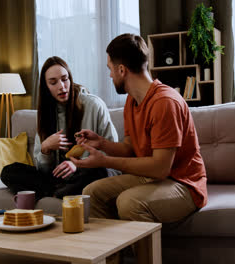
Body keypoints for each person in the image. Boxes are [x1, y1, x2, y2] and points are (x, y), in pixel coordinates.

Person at [70, 33, 208, 224]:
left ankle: (146, 255)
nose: (109, 75)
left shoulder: (164, 103)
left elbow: (160, 168)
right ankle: (113, 254)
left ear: (121, 70)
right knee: (91, 192)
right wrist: (101, 142)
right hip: (152, 178)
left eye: (110, 69)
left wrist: (104, 161)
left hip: (183, 184)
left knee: (129, 203)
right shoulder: (132, 100)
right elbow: (130, 148)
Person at [1, 56, 118, 200]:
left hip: (87, 172)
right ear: (46, 87)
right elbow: (43, 170)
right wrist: (45, 149)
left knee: (99, 172)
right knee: (9, 171)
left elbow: (112, 152)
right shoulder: (45, 113)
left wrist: (78, 165)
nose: (62, 86)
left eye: (65, 79)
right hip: (57, 179)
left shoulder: (94, 105)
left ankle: (50, 192)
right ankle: (57, 192)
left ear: (70, 79)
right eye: (53, 82)